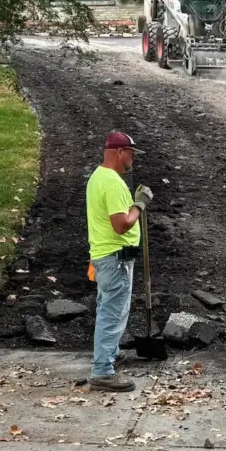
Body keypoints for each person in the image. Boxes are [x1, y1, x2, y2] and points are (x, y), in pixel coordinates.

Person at [86, 131, 153, 391]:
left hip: (105, 256)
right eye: (132, 153)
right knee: (112, 314)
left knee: (109, 309)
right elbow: (121, 225)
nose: (133, 159)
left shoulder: (98, 177)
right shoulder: (112, 183)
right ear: (120, 152)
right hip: (115, 259)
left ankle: (110, 354)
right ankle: (102, 371)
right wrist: (139, 205)